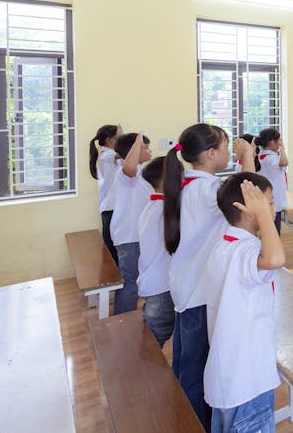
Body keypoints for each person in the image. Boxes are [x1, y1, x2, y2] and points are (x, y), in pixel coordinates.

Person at [165, 123, 254, 427]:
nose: (229, 152)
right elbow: (251, 196)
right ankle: (193, 423)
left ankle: (183, 414)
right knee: (196, 369)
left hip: (186, 286)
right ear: (210, 153)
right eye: (226, 147)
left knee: (186, 362)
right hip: (198, 293)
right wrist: (249, 156)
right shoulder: (206, 190)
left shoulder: (190, 184)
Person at [204, 174, 286, 433]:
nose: (273, 209)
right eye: (269, 203)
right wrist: (264, 215)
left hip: (230, 374)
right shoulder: (244, 252)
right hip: (247, 380)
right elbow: (274, 259)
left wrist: (261, 212)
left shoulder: (228, 245)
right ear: (248, 212)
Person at [110, 132, 153, 315]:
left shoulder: (141, 172)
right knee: (130, 282)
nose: (149, 151)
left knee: (135, 280)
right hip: (130, 236)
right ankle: (123, 321)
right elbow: (129, 167)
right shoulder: (126, 173)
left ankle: (127, 318)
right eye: (145, 147)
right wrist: (137, 142)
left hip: (138, 235)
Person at [136, 157, 173, 347]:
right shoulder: (163, 211)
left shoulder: (152, 207)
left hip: (154, 287)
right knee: (152, 347)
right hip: (162, 289)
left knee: (152, 342)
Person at [89, 123, 122, 261]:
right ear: (109, 140)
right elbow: (123, 153)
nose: (122, 141)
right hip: (110, 208)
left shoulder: (109, 155)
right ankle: (115, 280)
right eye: (119, 138)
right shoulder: (107, 155)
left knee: (115, 246)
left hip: (113, 207)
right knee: (113, 248)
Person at [255, 128, 289, 234]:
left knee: (268, 232)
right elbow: (284, 162)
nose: (279, 143)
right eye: (278, 140)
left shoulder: (261, 156)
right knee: (274, 233)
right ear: (271, 142)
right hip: (274, 201)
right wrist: (282, 148)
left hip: (267, 199)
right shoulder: (270, 158)